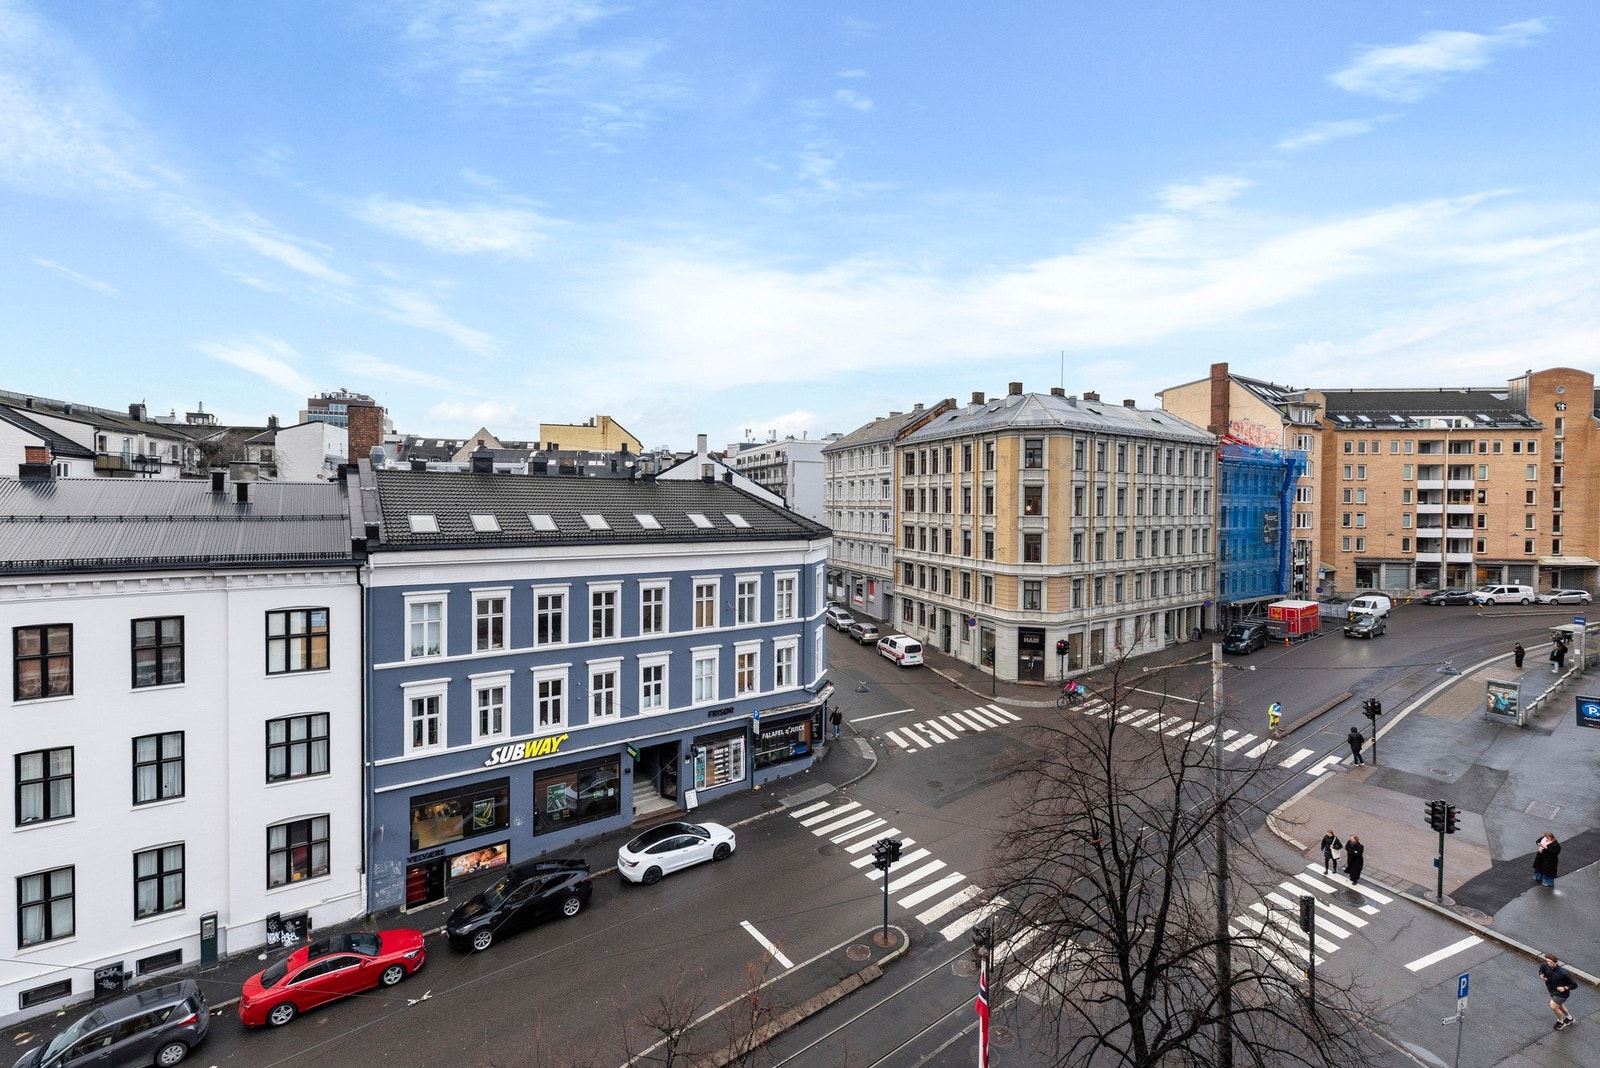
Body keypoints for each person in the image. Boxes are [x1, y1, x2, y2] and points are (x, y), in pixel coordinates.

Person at [1540, 953, 1577, 1030]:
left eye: (1551, 962)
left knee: (1553, 1006)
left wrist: (1565, 988)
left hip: (1562, 994)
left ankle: (1560, 1022)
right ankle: (1569, 1018)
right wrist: (1541, 975)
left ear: (1556, 962)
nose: (1549, 963)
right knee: (1559, 1006)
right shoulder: (1545, 966)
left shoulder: (1563, 973)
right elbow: (1541, 970)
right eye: (1547, 961)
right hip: (1551, 990)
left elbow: (1574, 985)